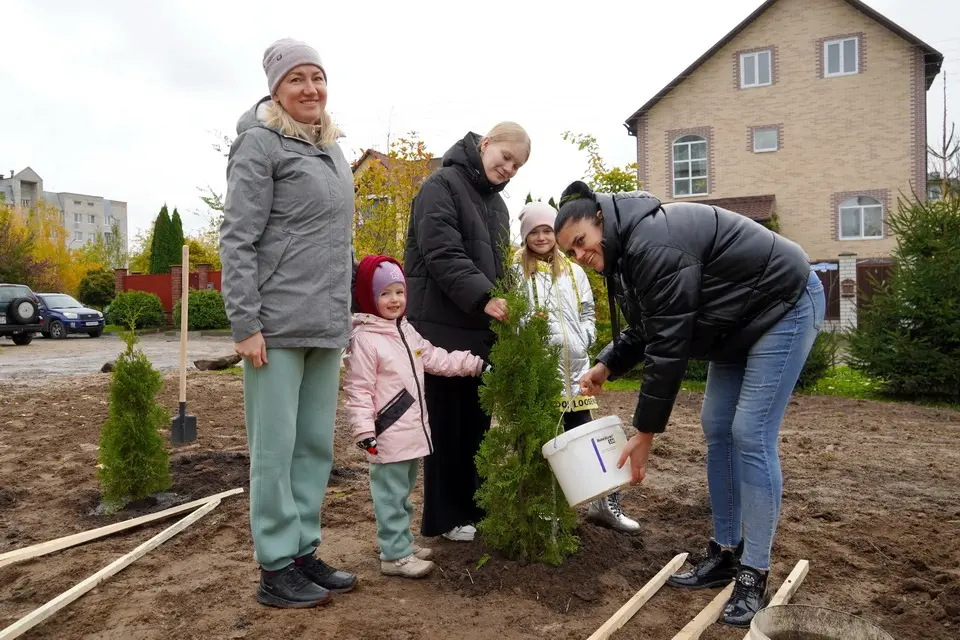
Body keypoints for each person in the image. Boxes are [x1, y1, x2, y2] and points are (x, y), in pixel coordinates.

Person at [553, 181, 824, 627]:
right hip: (737, 323)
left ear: (601, 219)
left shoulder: (654, 242)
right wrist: (606, 363)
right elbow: (650, 327)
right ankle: (725, 552)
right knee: (717, 426)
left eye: (581, 242)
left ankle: (754, 571)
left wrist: (644, 434)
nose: (580, 255)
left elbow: (669, 345)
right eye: (572, 252)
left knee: (750, 433)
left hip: (784, 303)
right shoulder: (623, 260)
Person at [220, 38, 357, 609]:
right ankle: (275, 567)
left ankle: (303, 551)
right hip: (273, 327)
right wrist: (245, 322)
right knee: (274, 450)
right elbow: (238, 238)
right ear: (276, 88)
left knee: (313, 448)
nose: (310, 89)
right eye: (296, 79)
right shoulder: (259, 145)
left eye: (317, 78)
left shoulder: (332, 150)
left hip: (325, 323)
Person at [403, 122, 531, 542]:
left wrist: (512, 302)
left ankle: (471, 509)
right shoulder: (441, 185)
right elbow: (442, 253)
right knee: (446, 425)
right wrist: (483, 298)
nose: (509, 169)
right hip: (439, 326)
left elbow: (498, 265)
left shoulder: (496, 205)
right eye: (506, 158)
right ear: (485, 143)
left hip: (477, 326)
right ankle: (444, 516)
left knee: (474, 423)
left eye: (517, 166)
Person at [343, 255, 488, 578]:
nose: (394, 300)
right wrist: (364, 431)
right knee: (390, 496)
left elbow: (434, 358)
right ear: (369, 297)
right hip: (386, 433)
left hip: (410, 432)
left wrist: (472, 364)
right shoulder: (366, 339)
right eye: (385, 294)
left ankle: (400, 542)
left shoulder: (405, 331)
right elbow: (358, 389)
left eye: (399, 292)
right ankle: (394, 556)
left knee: (403, 493)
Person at [512, 201, 640, 534]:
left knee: (589, 439)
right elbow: (509, 318)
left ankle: (605, 504)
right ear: (525, 237)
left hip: (576, 376)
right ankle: (542, 507)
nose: (541, 237)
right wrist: (530, 326)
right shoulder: (515, 271)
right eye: (534, 232)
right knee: (543, 441)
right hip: (540, 374)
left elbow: (587, 313)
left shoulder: (574, 270)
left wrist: (582, 338)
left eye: (547, 231)